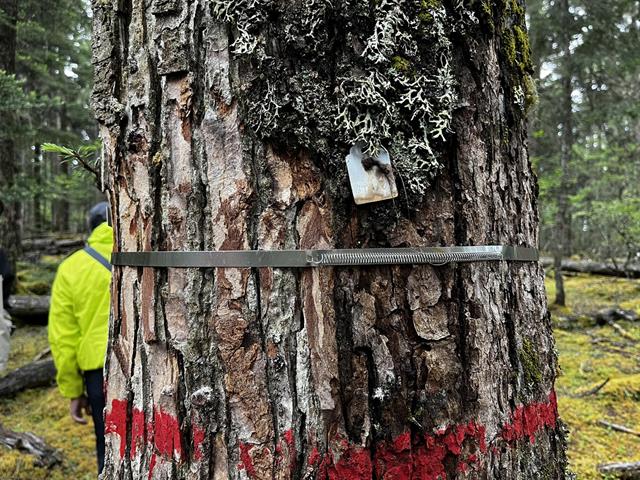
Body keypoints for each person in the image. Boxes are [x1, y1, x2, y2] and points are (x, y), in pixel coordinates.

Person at [48, 201, 112, 473]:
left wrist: (73, 391)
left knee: (108, 448)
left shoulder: (72, 268)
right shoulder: (145, 254)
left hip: (98, 372)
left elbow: (64, 337)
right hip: (159, 368)